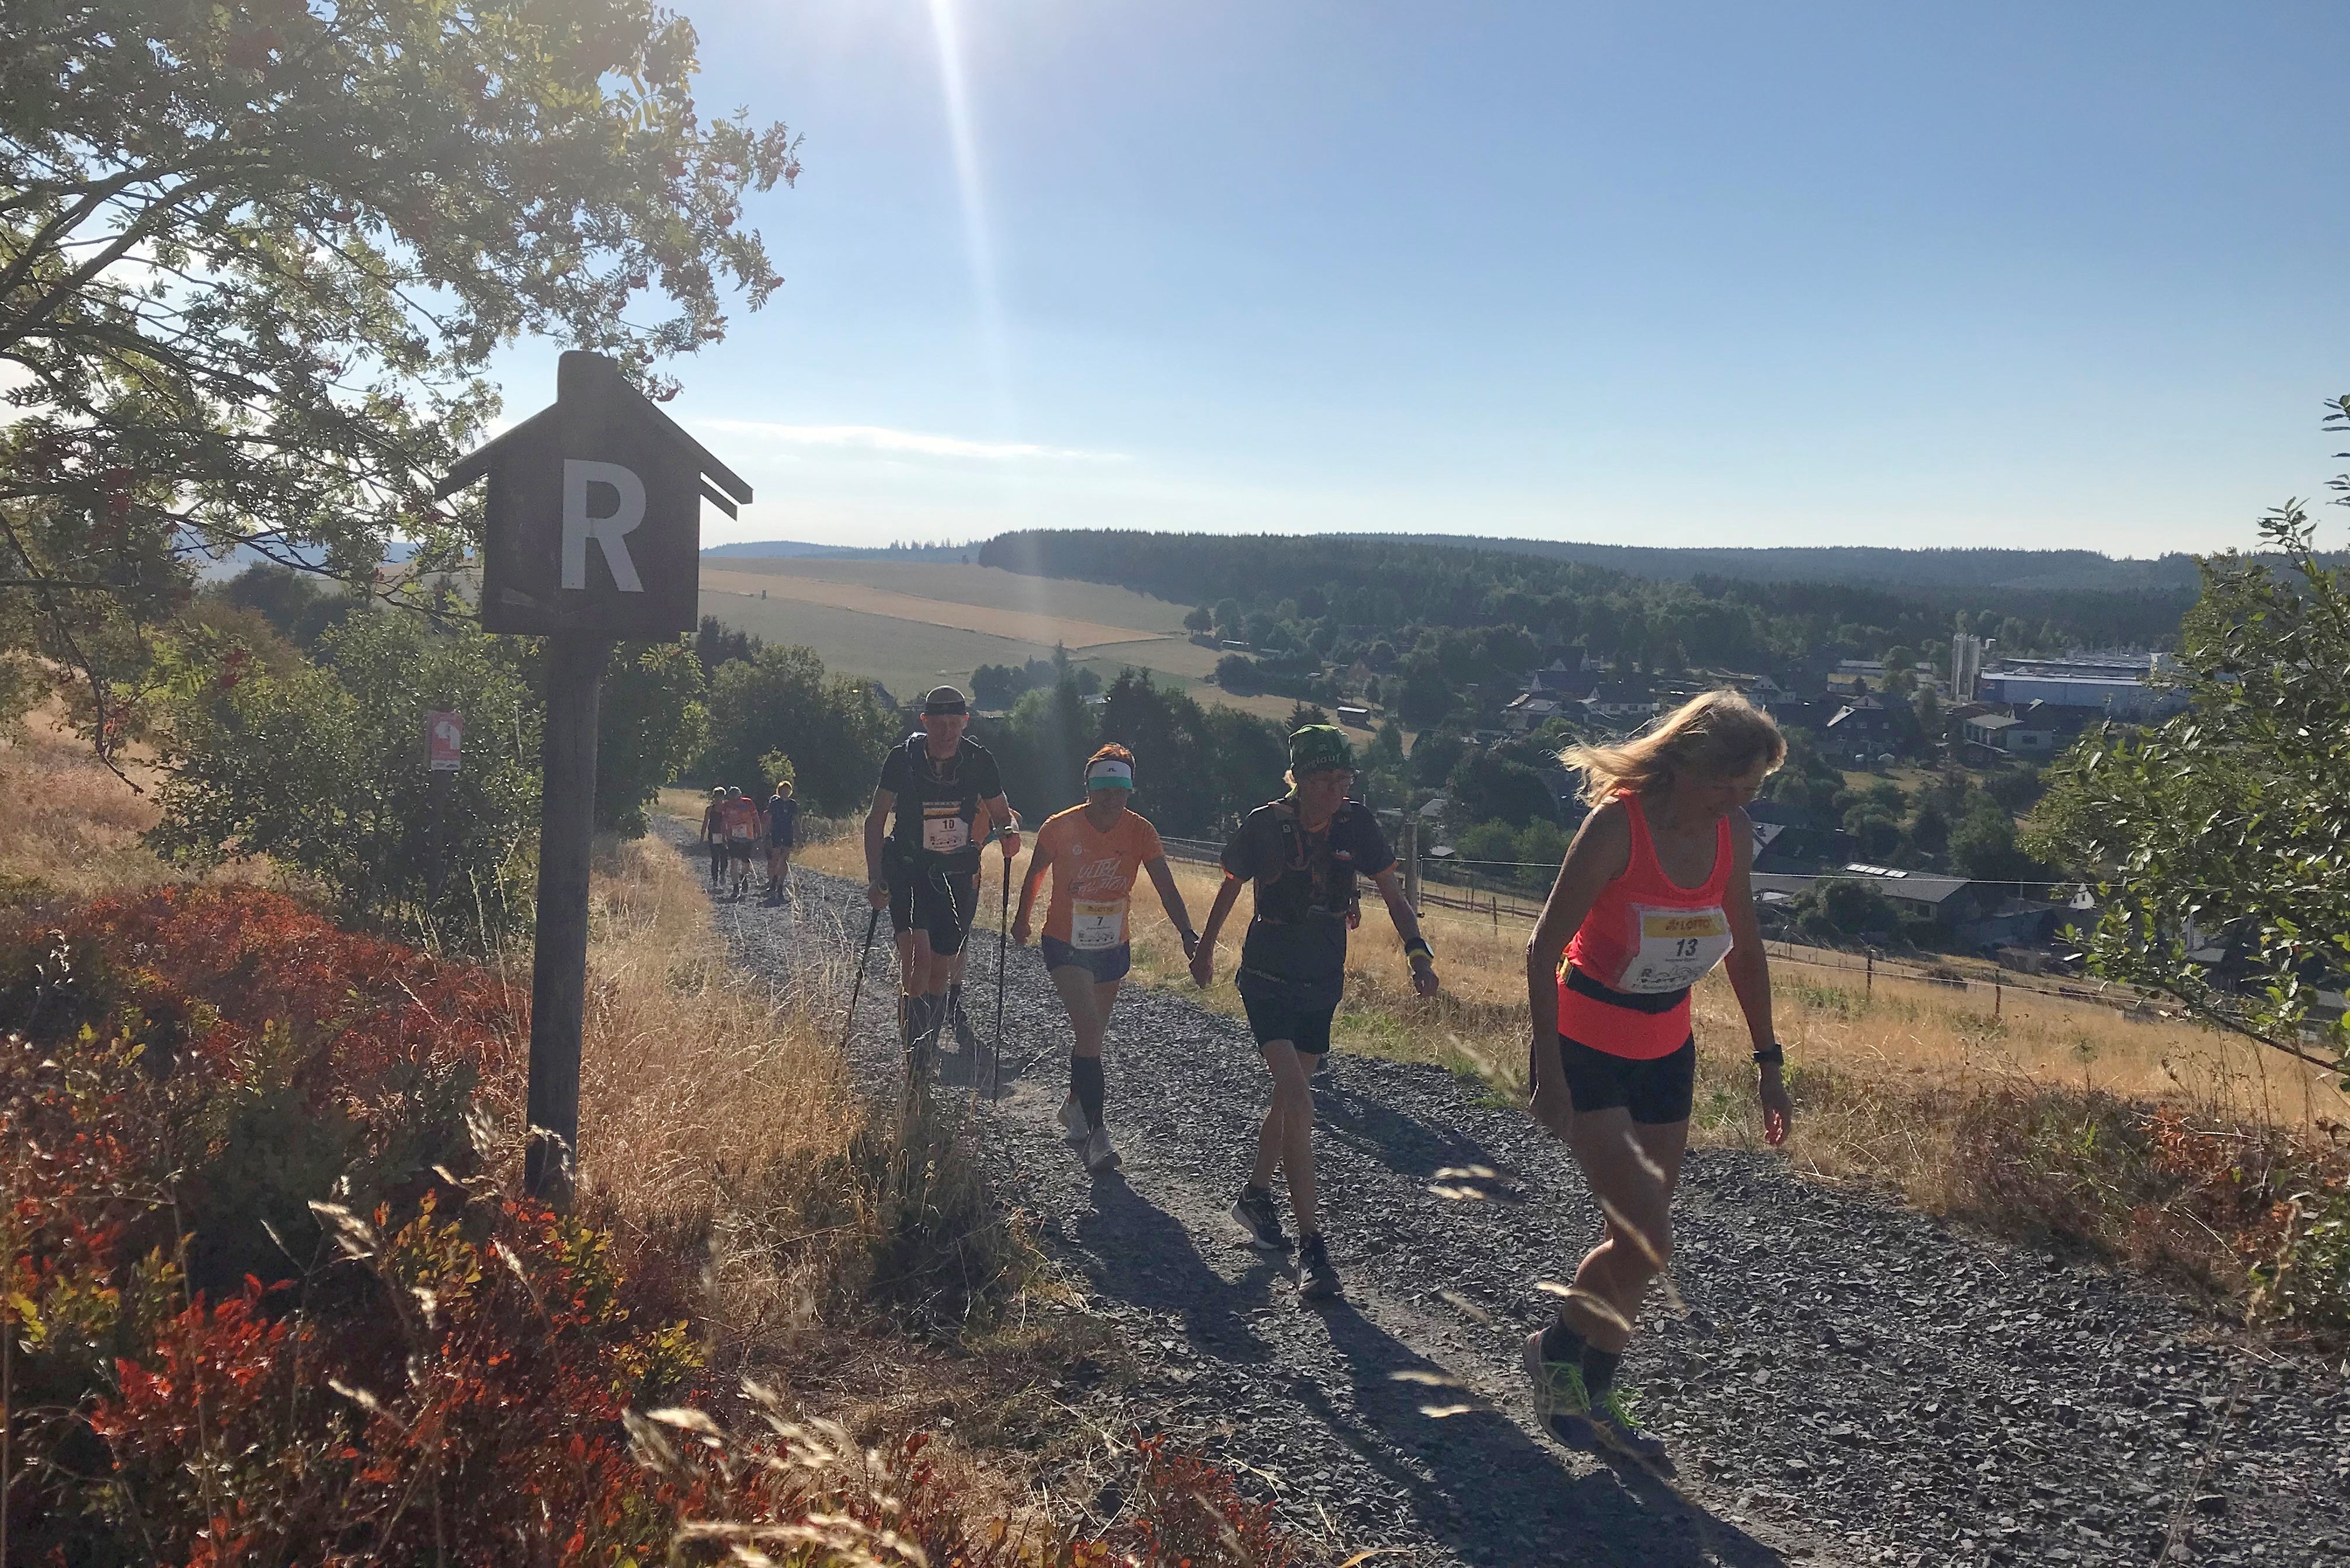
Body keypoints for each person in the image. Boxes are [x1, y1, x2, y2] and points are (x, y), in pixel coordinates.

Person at [1520, 690, 1793, 1470]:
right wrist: (1548, 1069)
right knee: (1648, 1235)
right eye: (1728, 786)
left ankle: (1593, 1390)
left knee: (1637, 1242)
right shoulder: (1618, 827)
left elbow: (1743, 948)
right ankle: (1556, 1353)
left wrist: (1768, 1062)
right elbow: (1543, 947)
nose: (1738, 803)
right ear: (1687, 767)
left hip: (1666, 1047)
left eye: (1752, 789)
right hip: (1589, 1043)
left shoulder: (1732, 834)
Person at [1190, 724, 1438, 1302]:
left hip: (1322, 984)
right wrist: (1205, 949)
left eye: (1343, 778)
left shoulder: (1358, 824)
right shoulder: (1265, 824)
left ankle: (1255, 1197)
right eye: (1325, 779)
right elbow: (1230, 885)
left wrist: (1417, 954)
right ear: (1299, 779)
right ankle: (1312, 1247)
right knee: (1300, 1100)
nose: (1336, 790)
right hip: (1267, 983)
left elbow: (1393, 894)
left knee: (1288, 1100)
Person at [1011, 744, 1200, 1175]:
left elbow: (1166, 885)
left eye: (1120, 791)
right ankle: (1098, 1137)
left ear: (1130, 791)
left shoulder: (1141, 832)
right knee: (1089, 1028)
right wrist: (1022, 919)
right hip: (1066, 943)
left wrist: (1188, 933)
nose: (1112, 800)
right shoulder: (1060, 827)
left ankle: (1074, 1104)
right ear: (1089, 789)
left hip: (1113, 946)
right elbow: (1035, 874)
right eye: (1103, 791)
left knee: (1091, 1038)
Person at [864, 687, 1020, 1074]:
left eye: (954, 723)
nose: (947, 732)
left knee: (940, 971)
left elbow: (1003, 815)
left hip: (955, 875)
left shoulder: (979, 760)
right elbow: (875, 819)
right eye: (938, 724)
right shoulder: (902, 758)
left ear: (965, 722)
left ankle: (925, 1047)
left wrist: (1009, 833)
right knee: (918, 962)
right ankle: (915, 1062)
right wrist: (876, 877)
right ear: (925, 722)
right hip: (909, 869)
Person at [720, 785, 762, 899]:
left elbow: (756, 818)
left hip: (747, 837)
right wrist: (724, 836)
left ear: (741, 796)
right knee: (734, 861)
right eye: (733, 799)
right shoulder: (727, 806)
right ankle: (735, 888)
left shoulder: (748, 803)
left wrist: (759, 833)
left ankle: (743, 876)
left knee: (746, 863)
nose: (736, 802)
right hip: (733, 838)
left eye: (738, 799)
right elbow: (724, 822)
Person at [764, 778, 799, 900]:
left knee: (784, 859)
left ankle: (780, 884)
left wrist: (798, 832)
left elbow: (796, 819)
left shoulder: (793, 804)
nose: (785, 792)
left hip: (788, 832)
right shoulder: (775, 803)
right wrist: (767, 832)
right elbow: (769, 818)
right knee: (775, 858)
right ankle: (774, 880)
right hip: (777, 832)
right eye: (783, 790)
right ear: (779, 791)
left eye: (787, 790)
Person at [700, 785, 729, 889]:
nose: (718, 799)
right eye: (717, 796)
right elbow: (705, 822)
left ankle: (723, 873)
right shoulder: (710, 809)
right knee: (715, 858)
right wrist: (702, 836)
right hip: (713, 836)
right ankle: (715, 880)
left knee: (724, 858)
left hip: (725, 836)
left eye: (720, 796)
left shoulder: (727, 809)